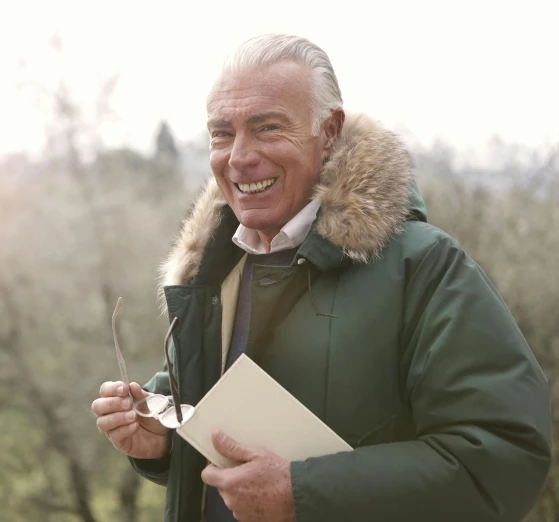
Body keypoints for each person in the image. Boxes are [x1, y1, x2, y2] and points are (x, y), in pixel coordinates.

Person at [91, 34, 552, 522]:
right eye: (222, 134)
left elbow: (502, 458)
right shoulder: (214, 271)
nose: (240, 157)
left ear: (329, 132)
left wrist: (304, 491)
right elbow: (216, 431)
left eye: (267, 128)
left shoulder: (425, 267)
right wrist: (161, 439)